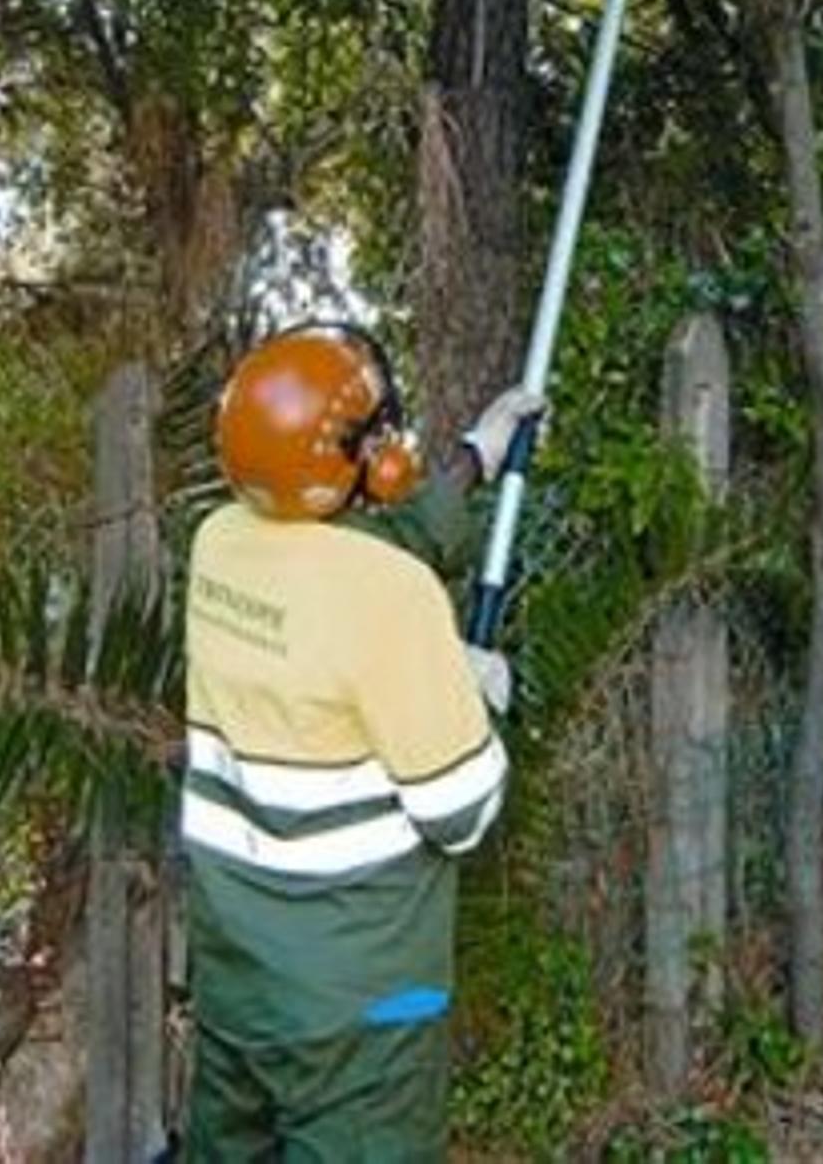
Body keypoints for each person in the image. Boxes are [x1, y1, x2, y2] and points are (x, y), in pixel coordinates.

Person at [180, 322, 541, 1162]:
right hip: (367, 1012)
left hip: (239, 991)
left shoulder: (220, 544)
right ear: (365, 455)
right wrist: (475, 690)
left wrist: (474, 458)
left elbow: (362, 555)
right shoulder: (392, 598)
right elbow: (462, 811)